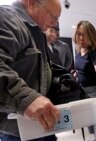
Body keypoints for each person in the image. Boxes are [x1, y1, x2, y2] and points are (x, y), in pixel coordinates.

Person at [0, 0, 61, 140]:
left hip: (38, 123)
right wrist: (26, 98)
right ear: (32, 3)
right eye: (53, 15)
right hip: (17, 130)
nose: (55, 23)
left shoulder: (35, 32)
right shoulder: (7, 18)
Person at [73, 20, 96, 109]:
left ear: (91, 36)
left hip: (94, 90)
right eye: (78, 34)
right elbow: (80, 69)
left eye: (85, 35)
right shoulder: (78, 51)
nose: (81, 38)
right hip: (82, 89)